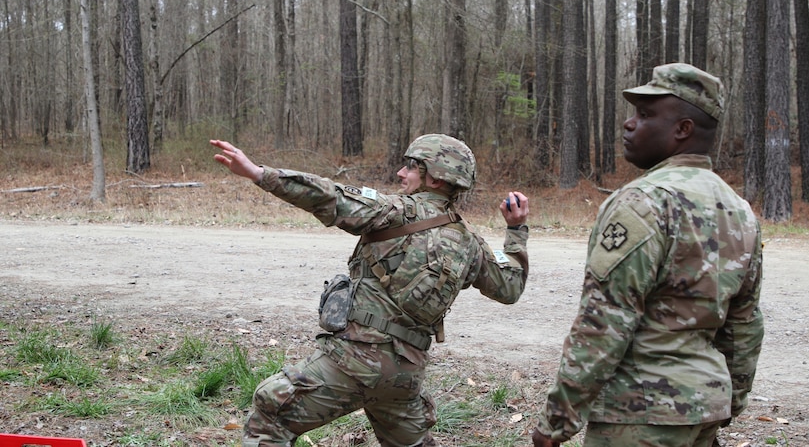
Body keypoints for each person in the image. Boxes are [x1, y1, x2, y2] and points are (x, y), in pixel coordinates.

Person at [210, 133, 530, 447]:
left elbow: (329, 195)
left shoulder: (392, 211)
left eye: (411, 166)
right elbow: (510, 286)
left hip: (353, 361)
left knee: (270, 416)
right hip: (404, 376)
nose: (401, 173)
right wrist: (516, 230)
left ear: (434, 179)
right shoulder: (472, 243)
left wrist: (259, 174)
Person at [532, 63, 764, 447]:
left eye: (645, 114)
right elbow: (744, 324)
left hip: (639, 416)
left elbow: (605, 320)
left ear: (682, 129)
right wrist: (725, 400)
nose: (628, 124)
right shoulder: (739, 210)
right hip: (702, 411)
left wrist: (557, 421)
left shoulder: (644, 201)